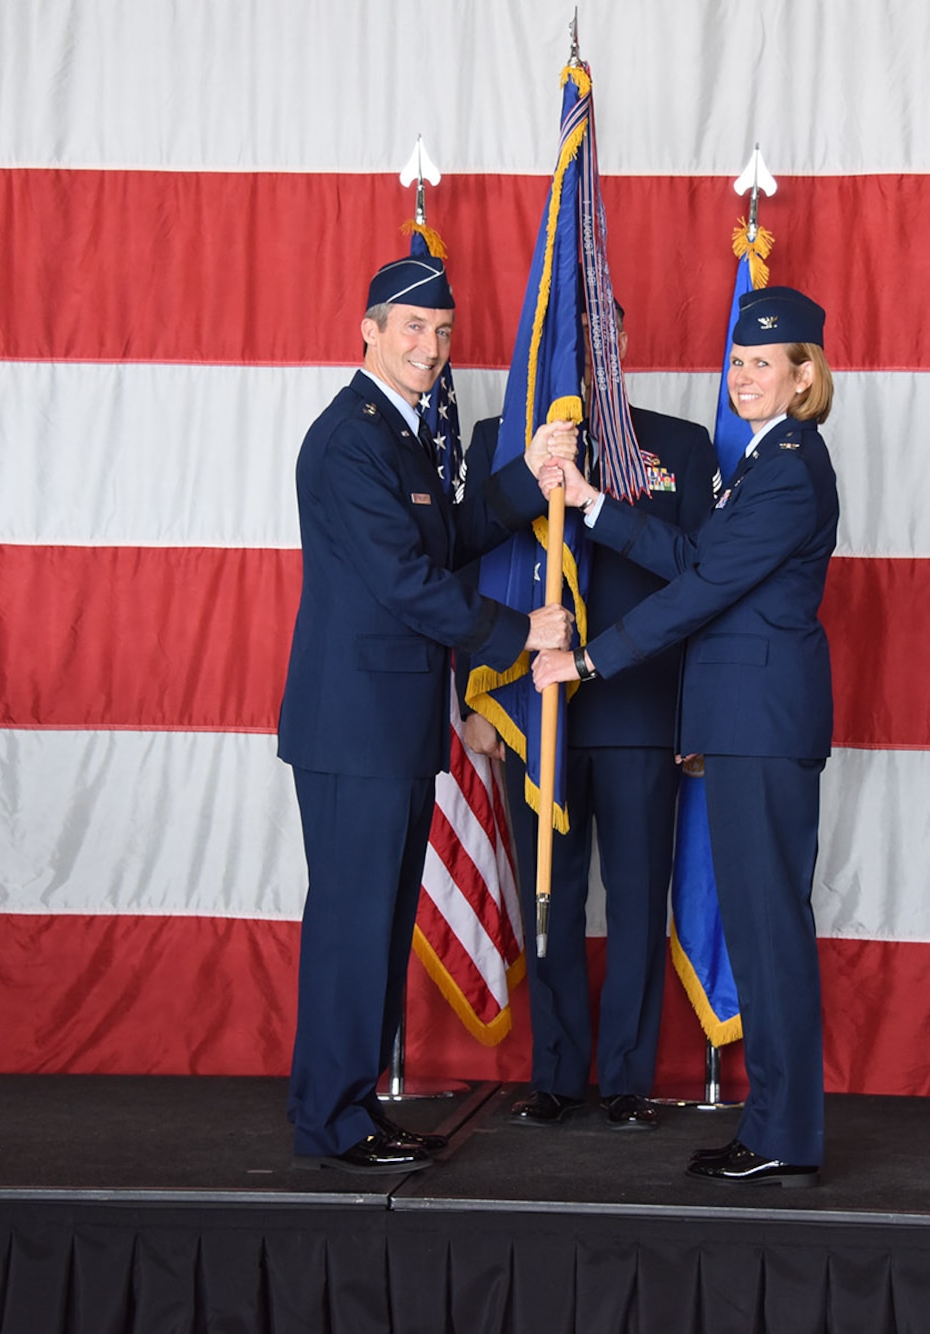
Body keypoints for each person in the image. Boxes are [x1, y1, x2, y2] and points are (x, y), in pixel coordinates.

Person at [532, 286, 838, 1187]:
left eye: (763, 365)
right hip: (747, 724)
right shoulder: (762, 460)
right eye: (736, 362)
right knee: (758, 927)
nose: (743, 377)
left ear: (804, 376)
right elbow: (700, 562)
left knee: (770, 929)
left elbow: (702, 592)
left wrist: (590, 663)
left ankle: (785, 1131)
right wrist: (591, 503)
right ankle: (778, 1125)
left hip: (764, 723)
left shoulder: (788, 465)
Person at [278, 254, 573, 1174]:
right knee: (351, 929)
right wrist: (520, 632)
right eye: (412, 328)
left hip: (390, 724)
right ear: (367, 329)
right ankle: (331, 1118)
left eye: (443, 331)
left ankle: (352, 1107)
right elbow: (405, 580)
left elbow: (444, 533)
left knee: (375, 926)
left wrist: (527, 477)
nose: (432, 347)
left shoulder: (403, 435)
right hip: (353, 726)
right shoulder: (349, 439)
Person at [460, 303, 717, 1131]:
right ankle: (558, 1073)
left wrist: (694, 715)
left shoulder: (677, 445)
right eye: (574, 336)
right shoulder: (503, 441)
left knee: (640, 900)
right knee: (549, 898)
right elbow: (474, 570)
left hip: (641, 707)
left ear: (622, 343)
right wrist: (479, 696)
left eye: (603, 334)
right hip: (538, 710)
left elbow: (705, 587)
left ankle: (630, 1079)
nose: (588, 350)